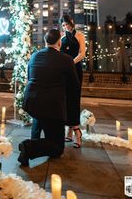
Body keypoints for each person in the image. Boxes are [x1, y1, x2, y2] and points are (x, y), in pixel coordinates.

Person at [18, 29, 80, 167]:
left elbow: (30, 78)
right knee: (58, 148)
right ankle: (28, 147)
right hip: (52, 106)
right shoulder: (67, 60)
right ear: (59, 42)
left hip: (32, 101)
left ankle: (34, 142)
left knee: (39, 117)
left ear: (45, 42)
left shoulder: (34, 56)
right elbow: (74, 85)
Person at [60, 13, 86, 148]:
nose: (66, 27)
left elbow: (82, 53)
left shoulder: (80, 36)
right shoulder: (62, 38)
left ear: (72, 23)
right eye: (63, 25)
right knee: (65, 100)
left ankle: (77, 132)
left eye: (67, 24)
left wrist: (71, 63)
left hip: (75, 71)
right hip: (65, 72)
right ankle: (69, 129)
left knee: (74, 99)